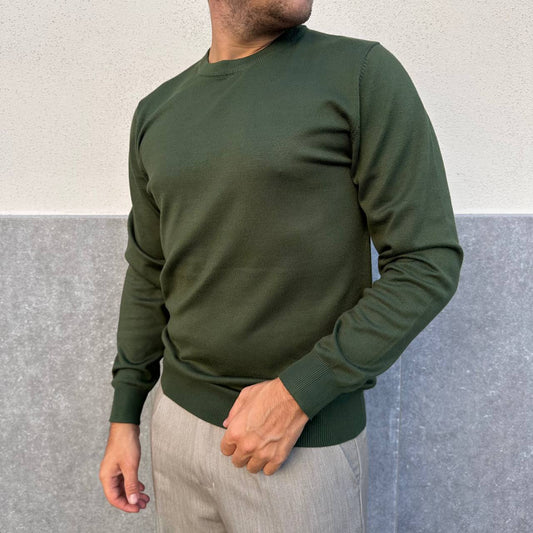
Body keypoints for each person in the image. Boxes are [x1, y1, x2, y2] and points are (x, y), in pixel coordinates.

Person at [99, 1, 464, 531]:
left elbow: (426, 261)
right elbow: (150, 270)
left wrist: (299, 392)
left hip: (297, 443)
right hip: (176, 428)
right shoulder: (157, 111)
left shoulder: (360, 74)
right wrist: (126, 413)